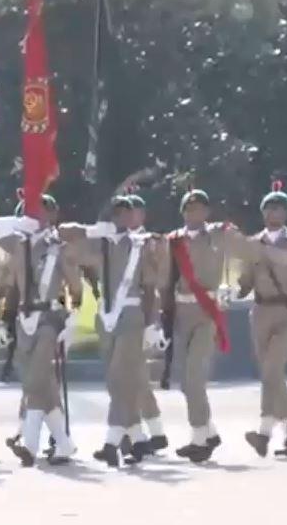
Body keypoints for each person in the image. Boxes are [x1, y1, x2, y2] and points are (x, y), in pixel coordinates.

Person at [59, 196, 164, 466]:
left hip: (130, 314)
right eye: (117, 214)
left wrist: (153, 324)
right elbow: (64, 236)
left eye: (126, 214)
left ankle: (111, 441)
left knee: (121, 378)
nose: (122, 219)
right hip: (105, 317)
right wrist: (95, 229)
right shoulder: (99, 243)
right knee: (115, 383)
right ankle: (137, 440)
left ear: (133, 218)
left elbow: (151, 288)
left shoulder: (143, 245)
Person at [0, 194, 81, 466]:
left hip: (49, 317)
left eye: (43, 211)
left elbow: (76, 287)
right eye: (31, 212)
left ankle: (31, 444)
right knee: (41, 384)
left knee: (36, 378)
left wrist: (74, 319)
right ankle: (63, 443)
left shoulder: (59, 248)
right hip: (24, 320)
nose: (38, 215)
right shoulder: (19, 246)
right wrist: (3, 321)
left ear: (53, 215)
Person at [162, 188, 246, 463]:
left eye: (199, 208)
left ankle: (199, 438)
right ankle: (209, 431)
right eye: (188, 209)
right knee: (185, 382)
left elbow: (248, 252)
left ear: (207, 212)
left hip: (206, 312)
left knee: (194, 377)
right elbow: (165, 279)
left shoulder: (219, 234)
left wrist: (237, 286)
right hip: (181, 313)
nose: (193, 213)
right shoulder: (173, 241)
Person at [238, 181, 287, 457]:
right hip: (260, 311)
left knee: (272, 371)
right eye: (270, 208)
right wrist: (233, 292)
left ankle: (268, 432)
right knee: (270, 375)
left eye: (280, 208)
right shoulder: (253, 244)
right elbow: (245, 282)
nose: (275, 213)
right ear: (262, 213)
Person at [118, 193, 171, 453]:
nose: (130, 216)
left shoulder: (151, 242)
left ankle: (135, 432)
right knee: (135, 375)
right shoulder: (116, 240)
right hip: (119, 312)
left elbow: (158, 280)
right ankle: (152, 431)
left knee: (133, 374)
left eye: (135, 210)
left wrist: (154, 322)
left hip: (142, 310)